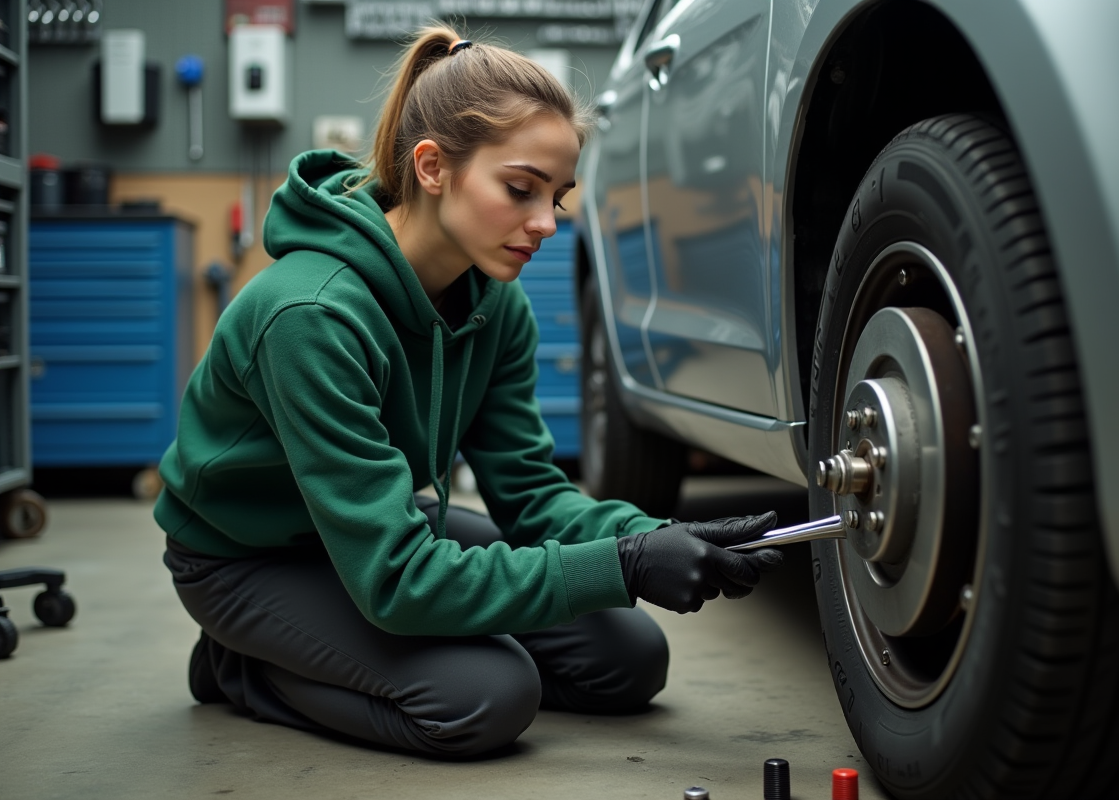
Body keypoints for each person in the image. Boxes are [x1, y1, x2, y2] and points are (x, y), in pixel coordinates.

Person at [156, 26, 783, 759]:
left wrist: (645, 539)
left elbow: (528, 494)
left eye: (557, 195)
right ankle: (243, 667)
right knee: (485, 696)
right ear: (431, 167)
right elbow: (396, 580)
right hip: (248, 558)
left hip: (371, 528)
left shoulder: (494, 304)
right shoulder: (312, 317)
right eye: (520, 189)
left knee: (628, 660)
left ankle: (340, 652)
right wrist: (622, 567)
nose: (547, 223)